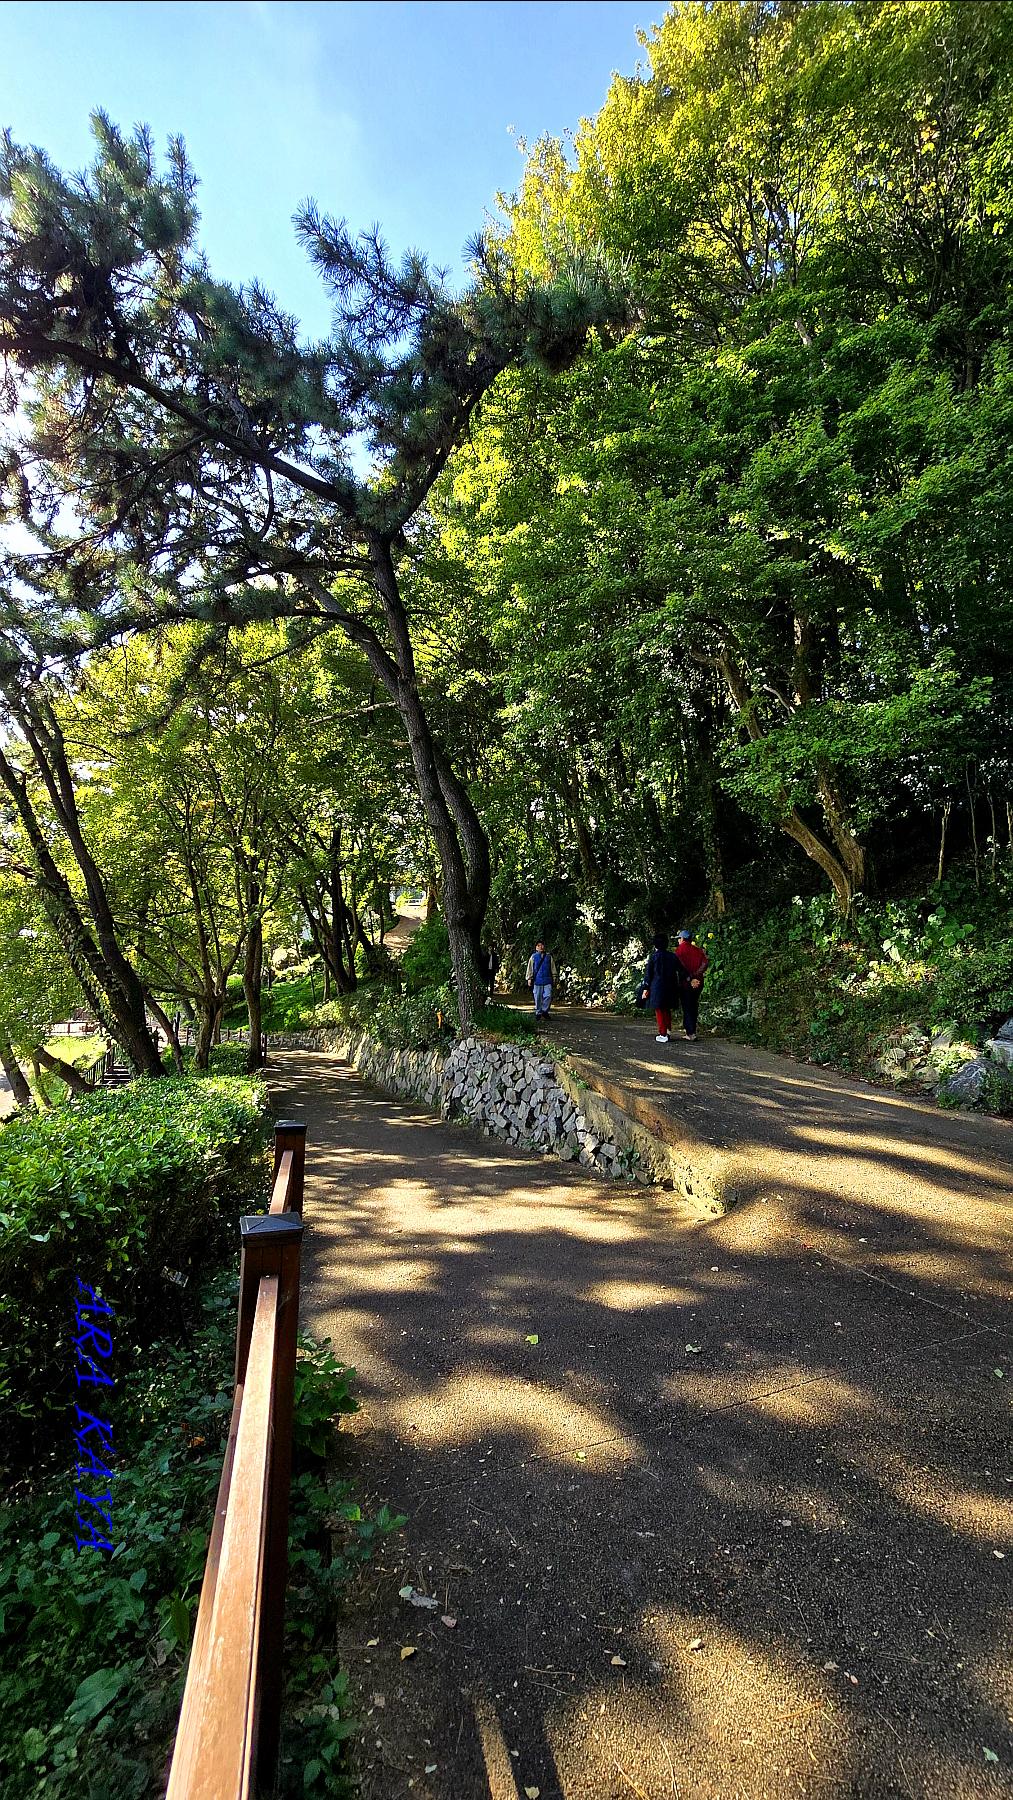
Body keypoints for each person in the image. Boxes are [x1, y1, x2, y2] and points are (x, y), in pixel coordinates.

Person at [641, 932, 678, 1043]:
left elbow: (649, 974)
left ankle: (663, 1033)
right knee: (667, 1009)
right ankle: (668, 1030)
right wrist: (690, 978)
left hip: (657, 986)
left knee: (659, 1010)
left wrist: (646, 988)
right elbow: (681, 969)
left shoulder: (653, 957)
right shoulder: (672, 956)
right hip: (671, 986)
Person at [674, 928, 709, 1040]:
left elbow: (679, 967)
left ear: (682, 939)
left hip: (685, 983)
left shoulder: (679, 951)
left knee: (687, 1006)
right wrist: (696, 975)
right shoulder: (698, 950)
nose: (678, 941)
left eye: (679, 938)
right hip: (699, 982)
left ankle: (690, 1032)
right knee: (694, 1005)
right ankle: (692, 1030)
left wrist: (690, 978)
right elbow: (705, 964)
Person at [525, 939, 557, 1021]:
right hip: (537, 980)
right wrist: (529, 978)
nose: (541, 947)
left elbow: (553, 967)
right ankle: (538, 1012)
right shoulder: (533, 957)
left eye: (542, 945)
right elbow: (530, 968)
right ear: (536, 947)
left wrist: (554, 977)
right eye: (539, 945)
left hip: (547, 979)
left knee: (548, 995)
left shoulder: (549, 957)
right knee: (538, 997)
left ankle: (544, 1011)